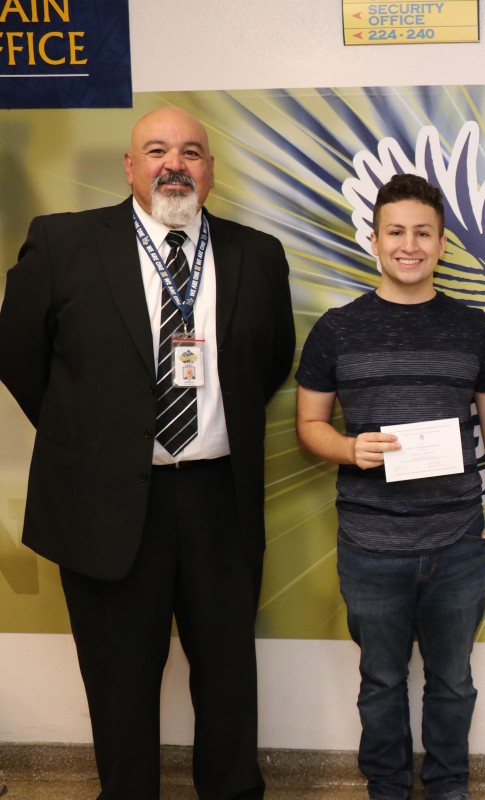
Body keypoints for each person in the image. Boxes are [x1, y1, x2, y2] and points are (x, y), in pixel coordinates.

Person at [0, 107, 295, 799]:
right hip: (105, 499)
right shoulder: (64, 243)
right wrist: (93, 434)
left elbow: (269, 362)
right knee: (118, 676)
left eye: (192, 152)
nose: (175, 164)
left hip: (219, 498)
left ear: (211, 172)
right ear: (129, 167)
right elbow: (17, 355)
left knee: (226, 672)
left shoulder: (257, 254)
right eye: (157, 150)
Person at [294, 173, 485, 800]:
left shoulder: (474, 328)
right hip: (369, 546)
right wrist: (349, 448)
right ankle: (386, 789)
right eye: (397, 231)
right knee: (381, 683)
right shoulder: (336, 330)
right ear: (375, 239)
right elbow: (308, 426)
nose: (409, 244)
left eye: (423, 232)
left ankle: (449, 789)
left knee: (453, 684)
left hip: (456, 546)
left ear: (443, 243)